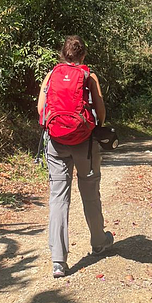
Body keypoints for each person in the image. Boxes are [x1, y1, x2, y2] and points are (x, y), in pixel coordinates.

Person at [37, 35, 114, 278]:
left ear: (62, 53)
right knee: (90, 193)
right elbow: (100, 112)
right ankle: (99, 242)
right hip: (84, 143)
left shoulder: (51, 75)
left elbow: (41, 109)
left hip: (56, 143)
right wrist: (95, 125)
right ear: (83, 55)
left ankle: (58, 261)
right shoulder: (88, 76)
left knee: (58, 198)